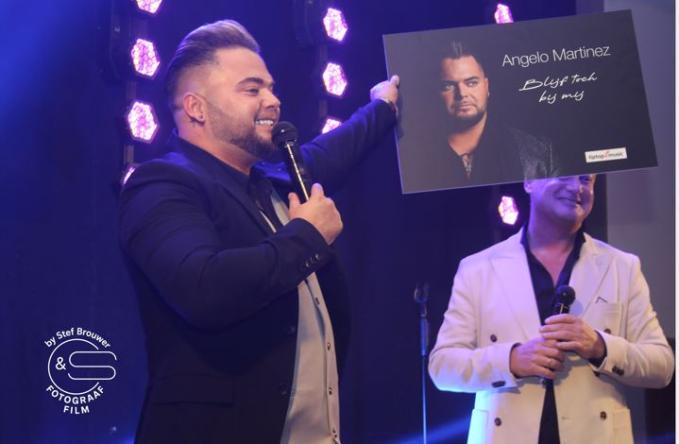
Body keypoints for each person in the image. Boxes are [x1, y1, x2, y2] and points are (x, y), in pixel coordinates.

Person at [119, 19, 399, 444]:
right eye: (252, 90)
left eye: (270, 88)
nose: (273, 100)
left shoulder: (270, 182)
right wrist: (307, 236)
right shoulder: (162, 183)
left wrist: (384, 107)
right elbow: (202, 288)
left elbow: (334, 152)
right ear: (196, 108)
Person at [428, 174, 673, 443]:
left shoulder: (622, 266)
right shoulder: (478, 268)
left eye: (586, 180)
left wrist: (600, 346)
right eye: (564, 175)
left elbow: (662, 366)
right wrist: (511, 360)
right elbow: (443, 367)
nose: (576, 187)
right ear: (529, 181)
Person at [409, 41, 559, 191]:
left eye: (471, 83)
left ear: (487, 87)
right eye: (448, 86)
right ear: (436, 93)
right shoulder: (414, 155)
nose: (462, 94)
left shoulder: (538, 153)